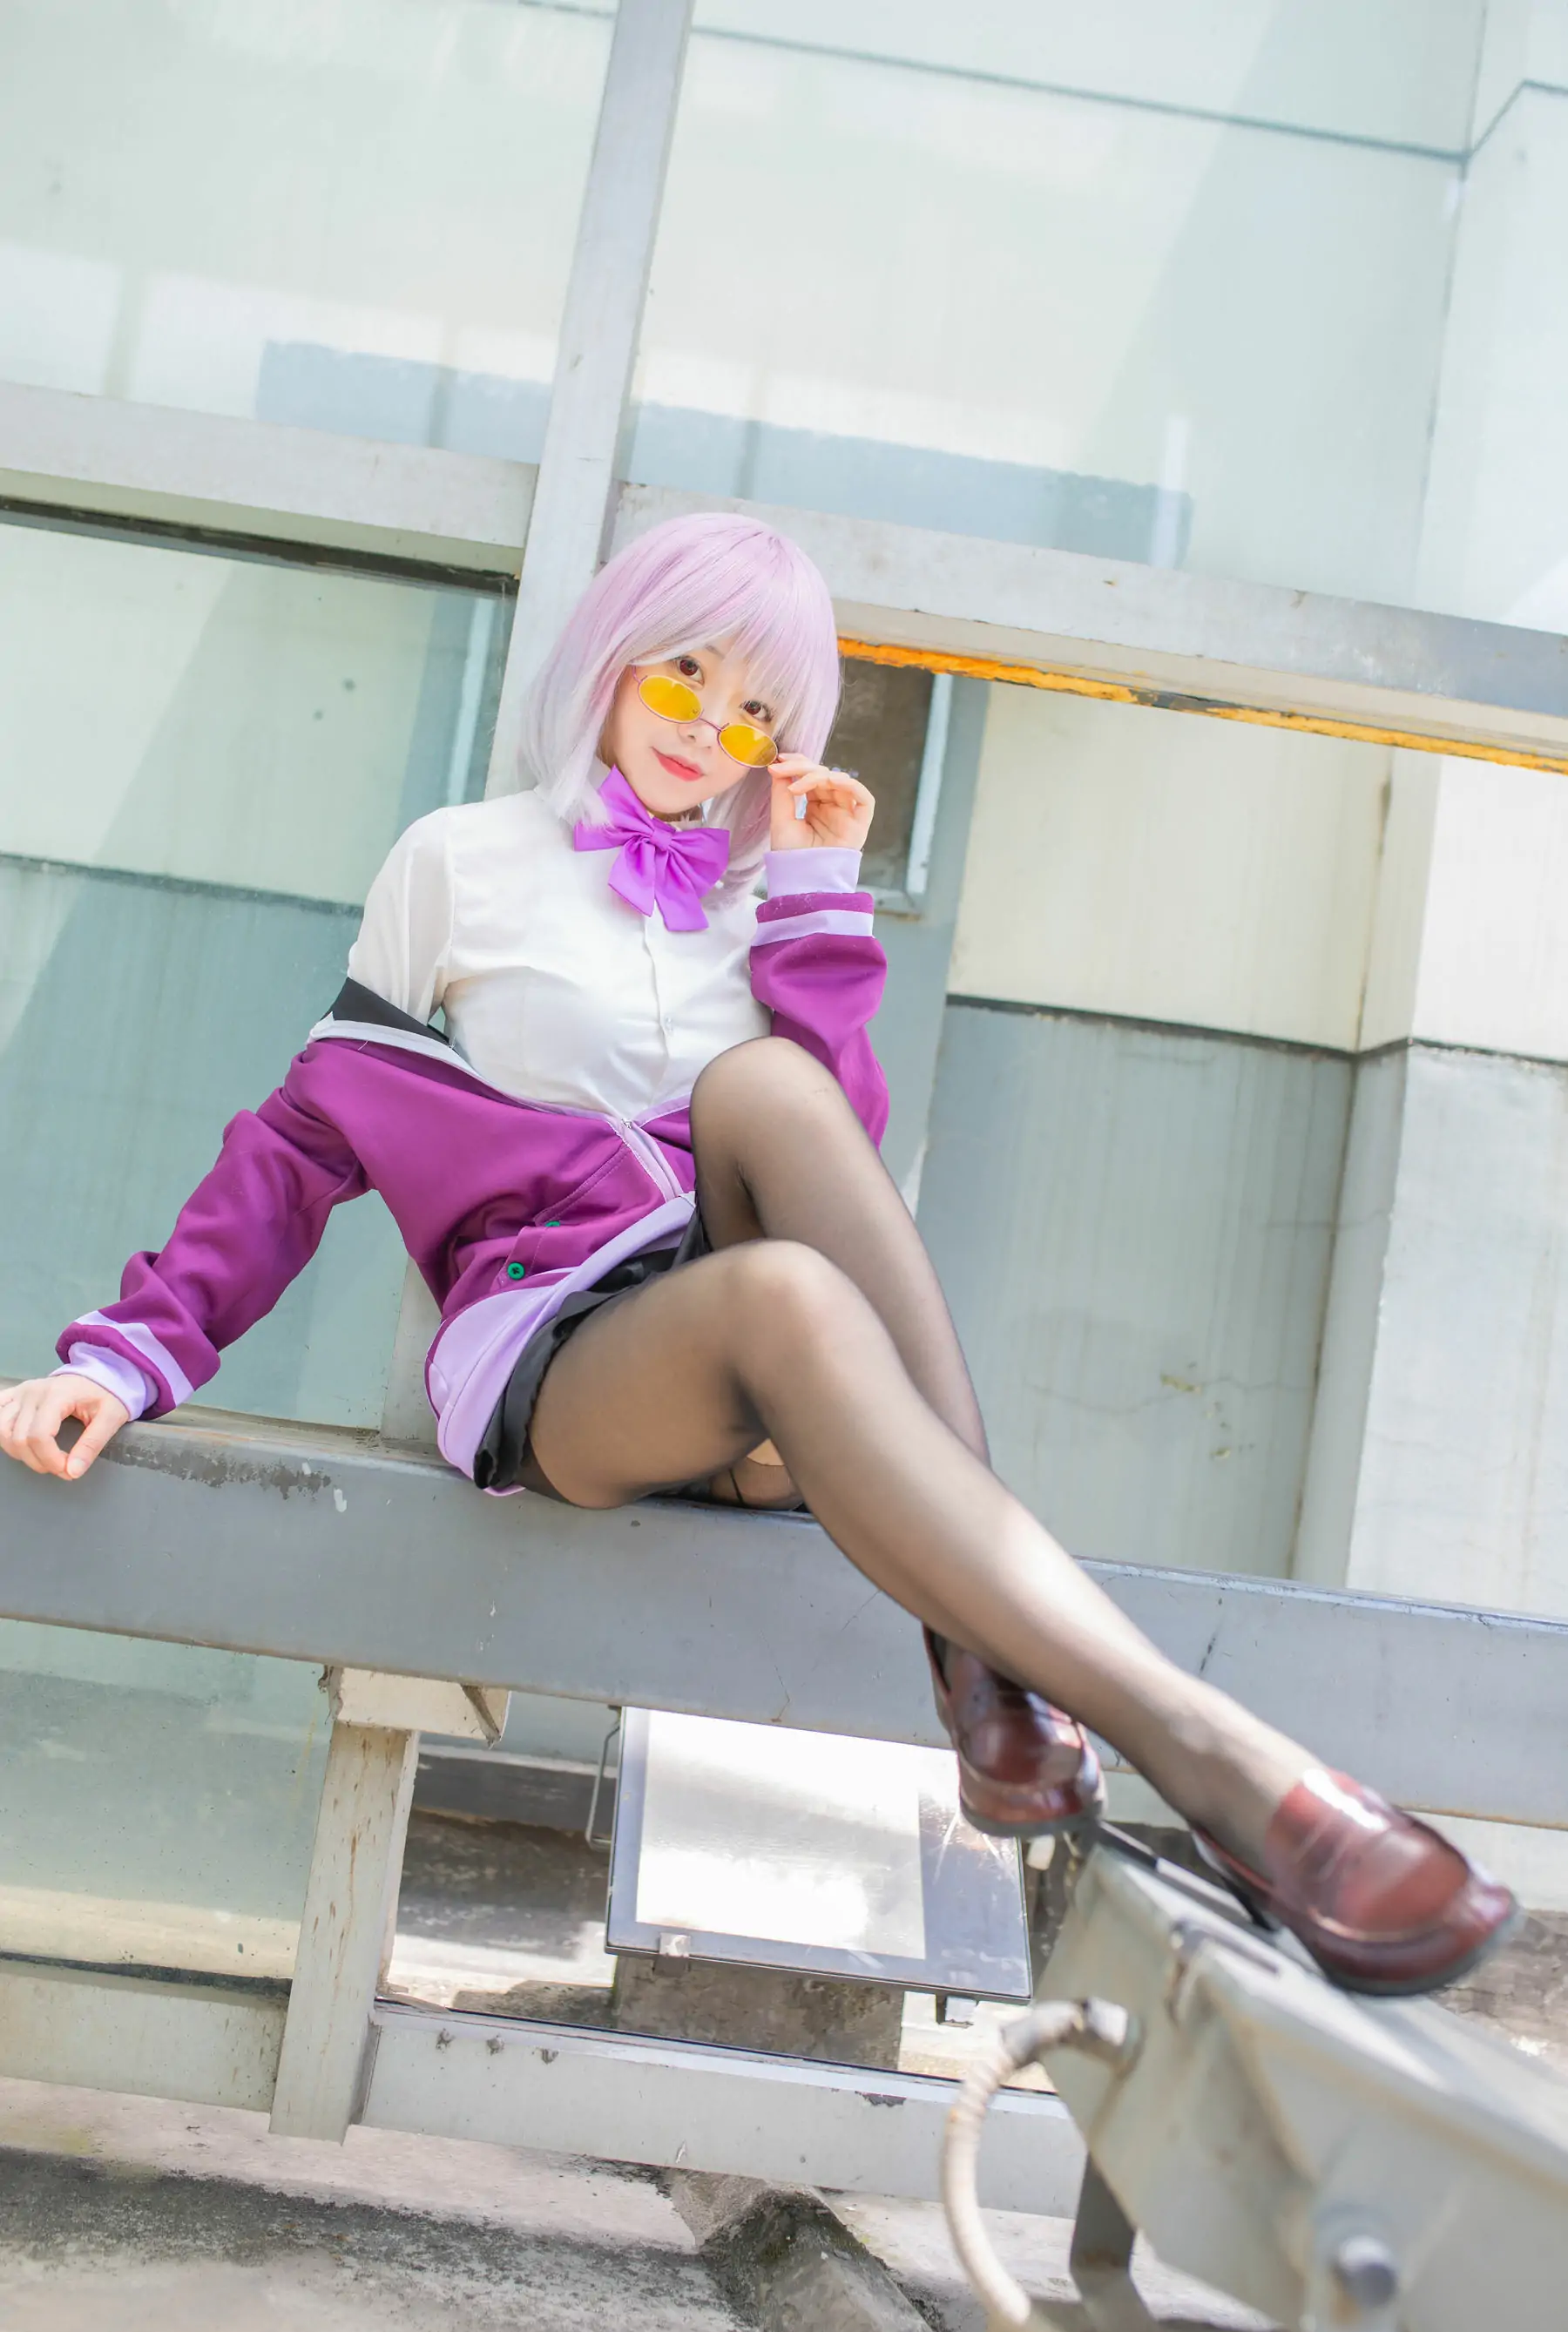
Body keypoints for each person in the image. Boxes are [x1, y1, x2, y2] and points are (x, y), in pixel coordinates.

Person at [0, 511, 1514, 1998]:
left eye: (753, 713)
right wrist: (127, 1357)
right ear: (612, 656)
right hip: (570, 1350)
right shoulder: (460, 861)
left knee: (775, 1094)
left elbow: (839, 1161)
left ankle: (998, 1673)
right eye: (682, 672)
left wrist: (811, 898)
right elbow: (303, 1138)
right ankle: (1192, 1749)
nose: (704, 727)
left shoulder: (758, 905)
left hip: (784, 1375)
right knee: (782, 1279)